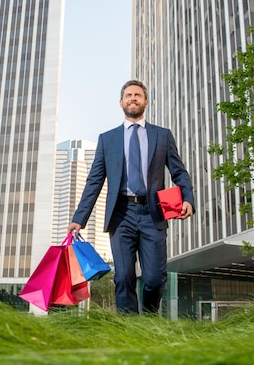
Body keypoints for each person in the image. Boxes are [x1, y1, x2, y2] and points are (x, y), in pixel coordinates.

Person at [68, 79, 195, 314]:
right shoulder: (108, 140)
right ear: (121, 102)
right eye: (129, 95)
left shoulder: (162, 136)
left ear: (146, 101)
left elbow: (179, 171)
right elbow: (94, 181)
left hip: (153, 214)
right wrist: (79, 218)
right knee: (123, 276)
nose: (133, 98)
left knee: (155, 278)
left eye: (138, 95)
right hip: (121, 215)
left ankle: (148, 317)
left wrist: (187, 198)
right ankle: (129, 327)